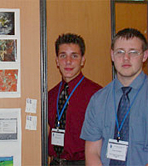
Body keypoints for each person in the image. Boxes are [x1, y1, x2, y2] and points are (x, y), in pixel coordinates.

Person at [80, 28, 148, 166]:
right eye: (120, 52)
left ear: (144, 55)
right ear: (112, 55)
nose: (126, 58)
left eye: (133, 52)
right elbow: (92, 152)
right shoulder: (98, 100)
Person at [48, 33, 102, 166]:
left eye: (74, 56)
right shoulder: (50, 95)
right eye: (63, 56)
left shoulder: (97, 94)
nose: (68, 61)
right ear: (56, 60)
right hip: (54, 162)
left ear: (83, 60)